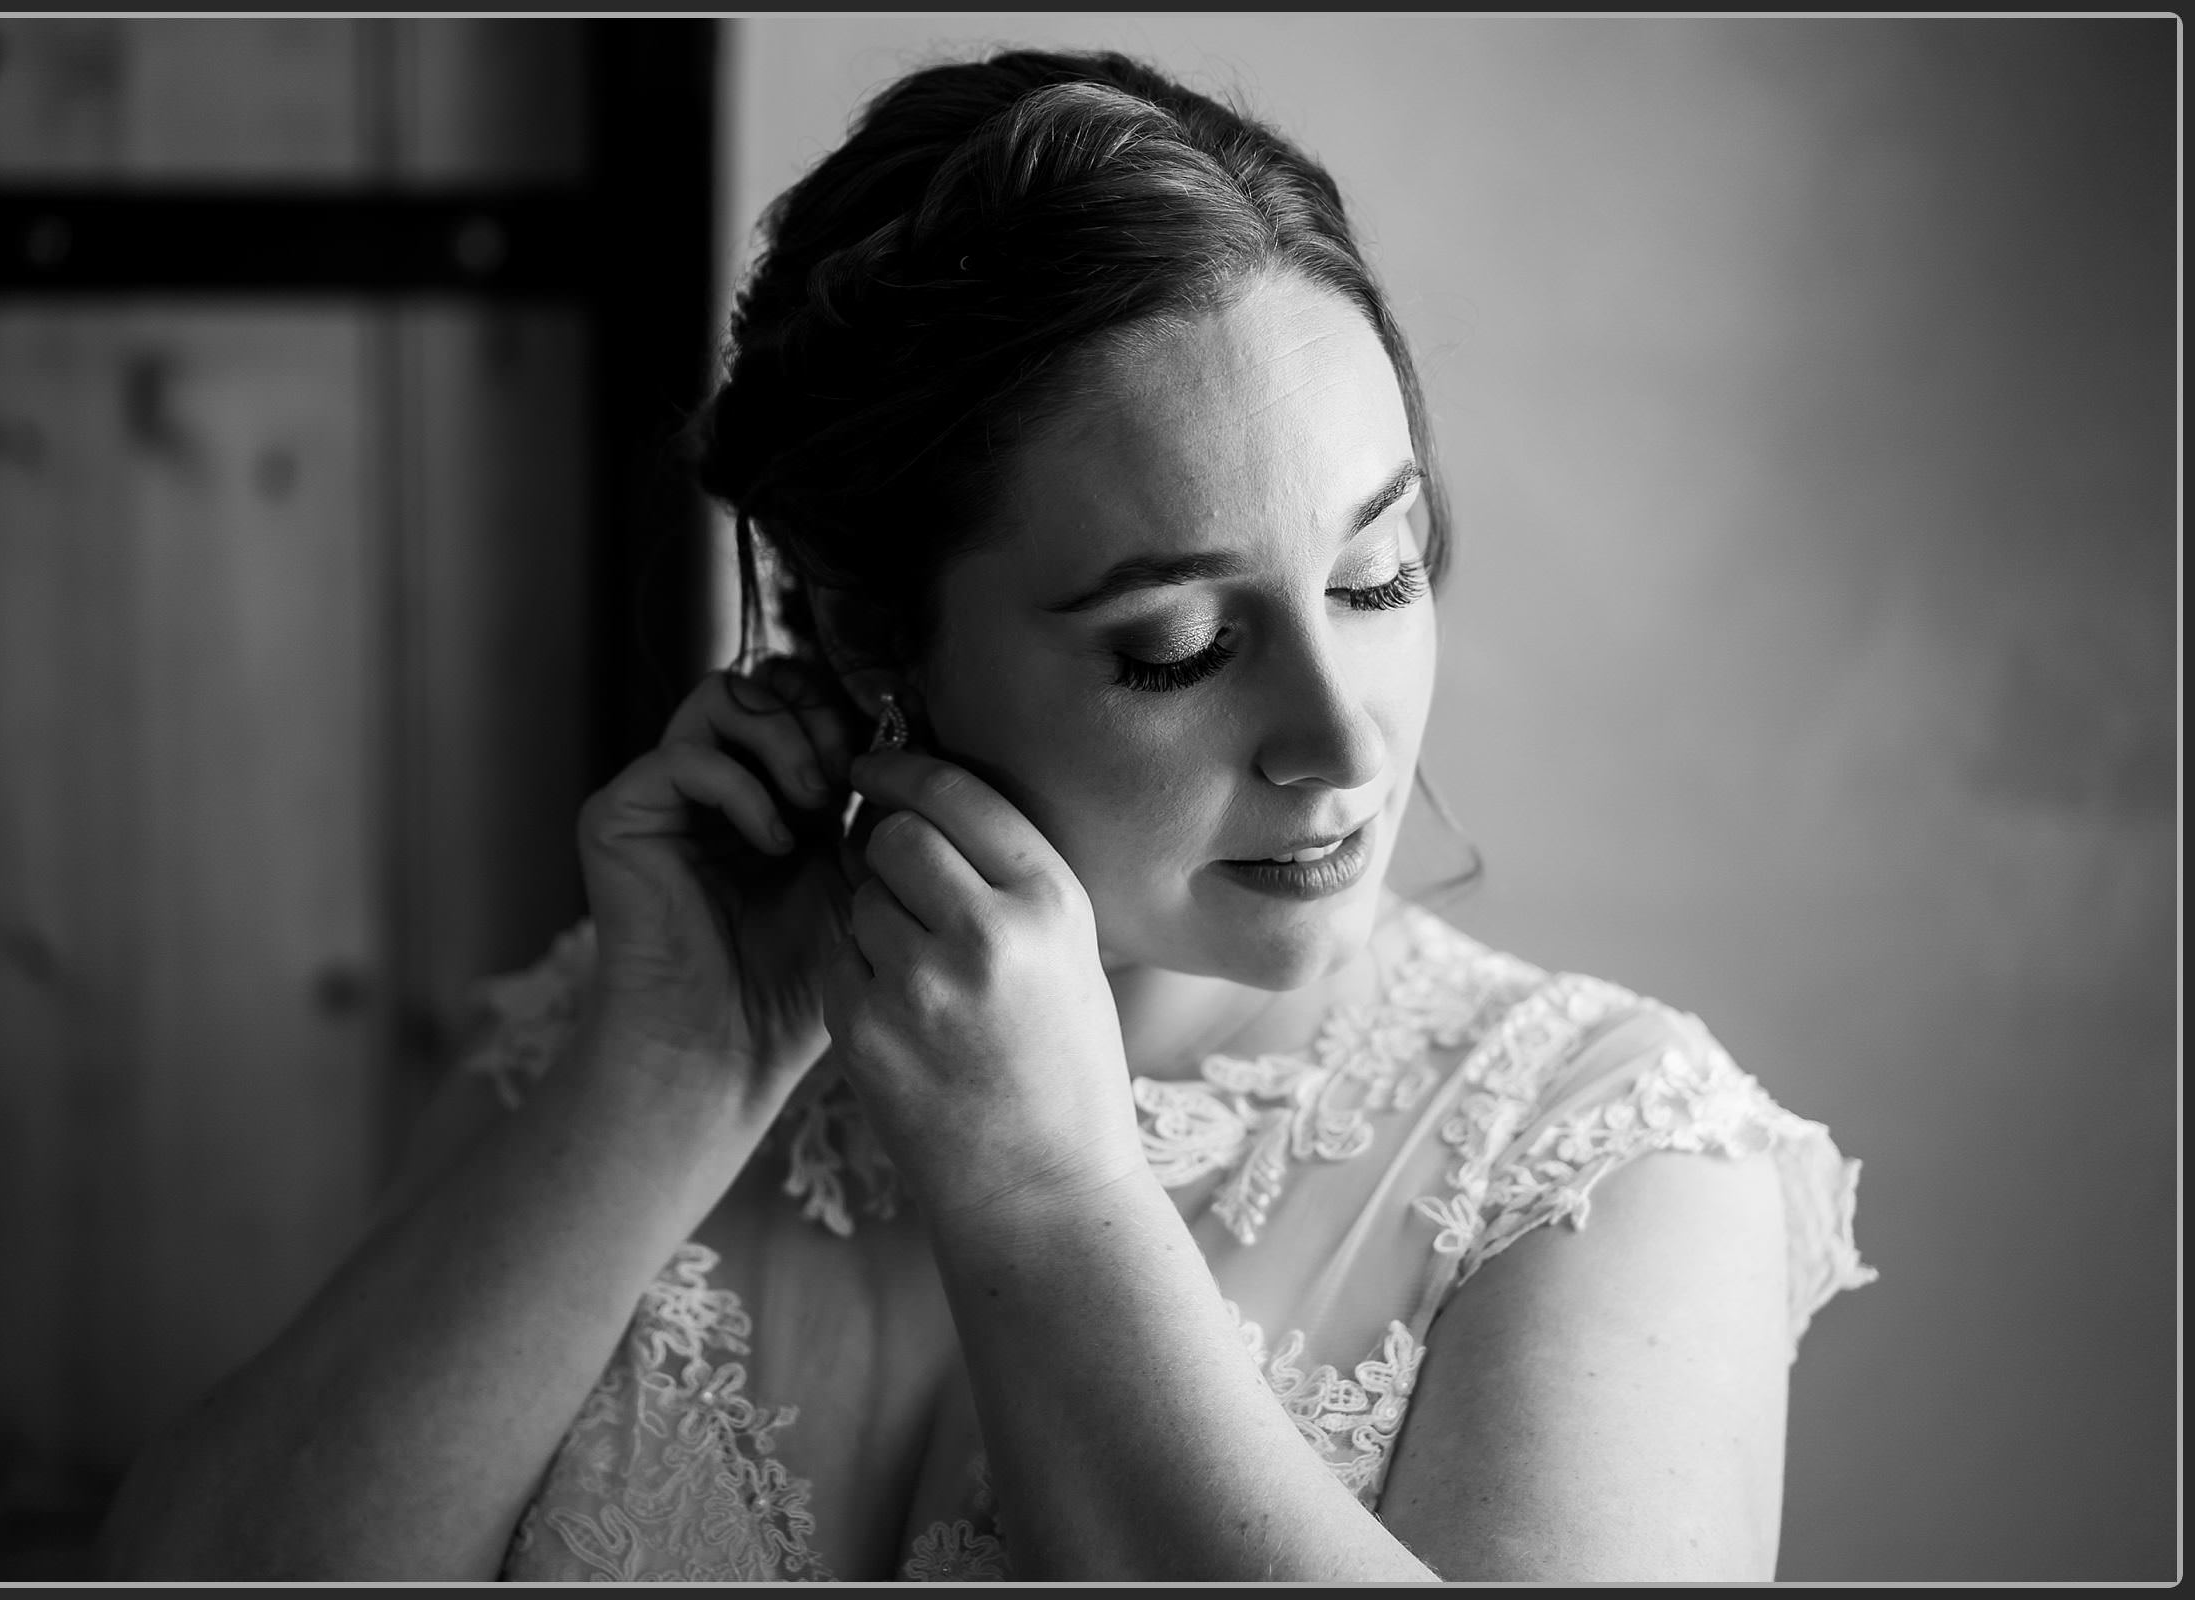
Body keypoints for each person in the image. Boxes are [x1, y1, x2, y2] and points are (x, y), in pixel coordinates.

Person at [96, 47, 1874, 1582]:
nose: (1344, 744)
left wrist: (1049, 1192)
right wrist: (665, 1083)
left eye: (1382, 574)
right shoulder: (609, 1037)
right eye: (1178, 649)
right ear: (877, 634)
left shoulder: (1613, 1165)